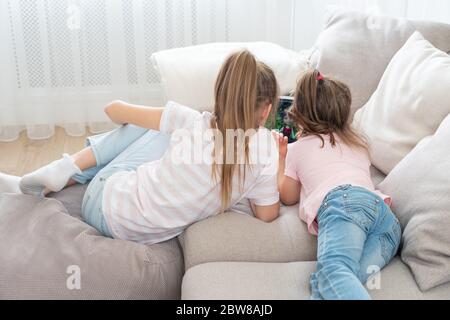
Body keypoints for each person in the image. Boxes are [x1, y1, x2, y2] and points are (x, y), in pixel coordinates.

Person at [0, 50, 281, 245]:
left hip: (102, 199)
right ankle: (63, 173)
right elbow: (267, 215)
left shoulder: (191, 121)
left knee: (159, 129)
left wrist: (135, 119)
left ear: (220, 93)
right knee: (168, 130)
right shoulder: (267, 151)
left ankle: (65, 168)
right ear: (266, 110)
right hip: (130, 231)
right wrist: (280, 162)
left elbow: (114, 109)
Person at [275, 69, 401, 300]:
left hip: (344, 204)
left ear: (299, 114)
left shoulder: (297, 150)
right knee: (325, 285)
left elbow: (288, 197)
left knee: (333, 274)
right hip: (388, 224)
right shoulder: (359, 145)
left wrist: (281, 158)